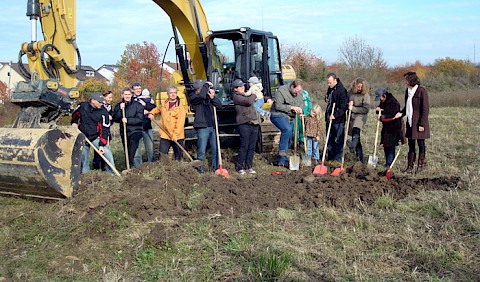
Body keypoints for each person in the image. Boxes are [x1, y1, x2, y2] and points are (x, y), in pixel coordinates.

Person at [71, 92, 116, 175]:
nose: (101, 104)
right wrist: (74, 123)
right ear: (93, 100)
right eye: (99, 102)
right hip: (83, 136)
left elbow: (105, 129)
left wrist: (102, 145)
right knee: (83, 157)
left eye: (102, 102)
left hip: (95, 137)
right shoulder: (82, 106)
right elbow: (75, 115)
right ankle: (85, 175)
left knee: (107, 153)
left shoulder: (103, 112)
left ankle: (112, 173)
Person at [395, 71, 430, 173]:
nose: (404, 81)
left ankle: (420, 166)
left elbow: (425, 109)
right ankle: (410, 167)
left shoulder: (421, 91)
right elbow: (407, 107)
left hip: (419, 123)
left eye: (406, 79)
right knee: (411, 145)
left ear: (411, 80)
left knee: (421, 144)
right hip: (410, 122)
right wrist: (401, 113)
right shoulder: (407, 91)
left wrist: (422, 124)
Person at [188, 79, 223, 173]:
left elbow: (219, 105)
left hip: (212, 125)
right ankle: (200, 170)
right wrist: (207, 85)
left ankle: (215, 168)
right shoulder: (193, 97)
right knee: (202, 150)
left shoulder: (207, 97)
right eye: (204, 87)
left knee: (215, 149)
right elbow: (202, 96)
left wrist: (213, 98)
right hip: (202, 127)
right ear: (199, 88)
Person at [270, 79, 304, 166]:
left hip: (291, 117)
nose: (297, 93)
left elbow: (301, 103)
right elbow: (278, 106)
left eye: (299, 91)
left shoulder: (299, 93)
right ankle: (282, 152)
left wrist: (300, 108)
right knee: (287, 129)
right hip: (278, 114)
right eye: (296, 91)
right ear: (292, 86)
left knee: (290, 135)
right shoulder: (281, 91)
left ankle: (283, 160)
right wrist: (292, 107)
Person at [148, 86, 186, 161]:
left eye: (175, 93)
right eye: (171, 93)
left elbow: (180, 123)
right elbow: (157, 109)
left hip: (177, 136)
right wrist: (151, 113)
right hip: (165, 134)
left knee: (178, 156)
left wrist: (175, 135)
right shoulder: (164, 104)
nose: (173, 94)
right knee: (162, 155)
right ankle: (164, 170)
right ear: (168, 94)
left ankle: (179, 170)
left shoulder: (180, 106)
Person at [232, 79, 261, 174]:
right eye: (240, 86)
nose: (243, 87)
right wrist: (253, 94)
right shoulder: (236, 97)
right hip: (244, 124)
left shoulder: (246, 95)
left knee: (252, 146)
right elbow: (248, 102)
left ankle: (249, 166)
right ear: (235, 89)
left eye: (243, 86)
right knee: (244, 146)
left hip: (253, 123)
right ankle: (240, 167)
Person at [112, 87, 144, 169]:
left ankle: (132, 166)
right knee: (126, 149)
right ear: (122, 95)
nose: (127, 96)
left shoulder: (138, 105)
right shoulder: (119, 105)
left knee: (133, 148)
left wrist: (128, 120)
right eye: (125, 94)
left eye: (129, 94)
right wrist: (120, 109)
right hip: (125, 131)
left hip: (136, 131)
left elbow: (140, 119)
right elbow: (115, 118)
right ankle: (129, 167)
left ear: (132, 95)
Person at [376, 88, 405, 168]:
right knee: (385, 144)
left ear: (384, 95)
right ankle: (387, 162)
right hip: (386, 127)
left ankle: (390, 163)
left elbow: (392, 115)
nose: (380, 100)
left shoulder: (393, 102)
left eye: (380, 98)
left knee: (391, 145)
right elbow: (381, 109)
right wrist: (378, 110)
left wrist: (382, 117)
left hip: (394, 127)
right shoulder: (383, 101)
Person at [131, 82, 156, 167]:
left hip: (147, 126)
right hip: (136, 128)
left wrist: (145, 105)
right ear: (132, 90)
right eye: (136, 89)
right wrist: (142, 111)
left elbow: (153, 107)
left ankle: (152, 165)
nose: (138, 90)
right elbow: (130, 112)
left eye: (139, 89)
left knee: (150, 148)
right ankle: (139, 167)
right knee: (136, 150)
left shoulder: (146, 97)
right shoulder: (130, 99)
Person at [325, 73, 348, 163]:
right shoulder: (330, 89)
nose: (328, 84)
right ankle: (330, 158)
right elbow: (329, 100)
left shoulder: (342, 91)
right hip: (328, 118)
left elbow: (343, 107)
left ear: (335, 80)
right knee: (329, 140)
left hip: (338, 120)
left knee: (339, 140)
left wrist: (335, 115)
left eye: (330, 82)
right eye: (327, 82)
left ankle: (337, 159)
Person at [346, 77, 370, 163]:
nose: (359, 88)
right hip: (351, 116)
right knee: (356, 138)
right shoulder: (350, 93)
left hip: (361, 115)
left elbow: (366, 109)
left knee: (356, 130)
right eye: (358, 87)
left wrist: (353, 108)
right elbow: (345, 101)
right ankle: (360, 158)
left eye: (361, 87)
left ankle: (352, 144)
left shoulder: (365, 95)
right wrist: (348, 104)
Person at [93, 90, 114, 171]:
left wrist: (111, 118)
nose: (110, 99)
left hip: (106, 131)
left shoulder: (109, 107)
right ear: (104, 97)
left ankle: (104, 167)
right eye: (109, 97)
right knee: (99, 150)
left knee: (105, 149)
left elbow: (112, 117)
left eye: (111, 98)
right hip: (99, 131)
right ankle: (96, 167)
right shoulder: (100, 106)